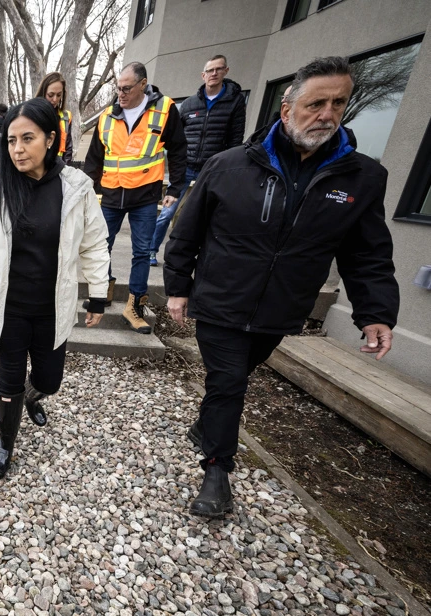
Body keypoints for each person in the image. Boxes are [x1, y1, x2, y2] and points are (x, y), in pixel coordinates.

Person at [164, 56, 399, 519]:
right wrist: (178, 287)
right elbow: (186, 232)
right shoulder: (228, 166)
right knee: (228, 381)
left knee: (231, 381)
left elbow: (366, 252)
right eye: (316, 104)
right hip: (220, 300)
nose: (327, 114)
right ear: (287, 108)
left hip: (280, 308)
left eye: (338, 103)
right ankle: (217, 469)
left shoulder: (362, 178)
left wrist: (375, 312)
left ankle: (208, 428)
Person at [0, 97, 110, 480]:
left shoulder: (76, 189)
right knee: (7, 380)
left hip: (52, 308)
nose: (18, 149)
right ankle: (6, 443)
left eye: (27, 138)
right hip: (7, 311)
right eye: (11, 141)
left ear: (51, 138)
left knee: (48, 382)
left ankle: (32, 396)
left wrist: (98, 294)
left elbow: (93, 244)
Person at [83, 61, 187, 333]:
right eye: (118, 89)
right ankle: (102, 291)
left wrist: (175, 187)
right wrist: (87, 188)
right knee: (100, 245)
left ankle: (135, 306)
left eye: (127, 88)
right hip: (112, 193)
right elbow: (95, 155)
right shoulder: (108, 115)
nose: (122, 94)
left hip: (144, 194)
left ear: (143, 84)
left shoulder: (165, 110)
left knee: (142, 252)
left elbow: (177, 149)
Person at [150, 54, 246, 267]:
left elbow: (235, 139)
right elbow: (176, 139)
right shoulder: (190, 104)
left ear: (225, 71)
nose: (214, 74)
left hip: (212, 169)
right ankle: (150, 250)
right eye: (210, 70)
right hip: (185, 167)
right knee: (167, 213)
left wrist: (228, 169)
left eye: (218, 69)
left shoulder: (234, 102)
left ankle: (198, 258)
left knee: (204, 217)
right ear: (203, 75)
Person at [35, 72, 74, 164]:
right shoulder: (32, 114)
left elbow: (68, 149)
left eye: (59, 95)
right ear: (43, 93)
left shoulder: (66, 116)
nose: (55, 99)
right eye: (50, 95)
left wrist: (65, 169)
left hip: (58, 169)